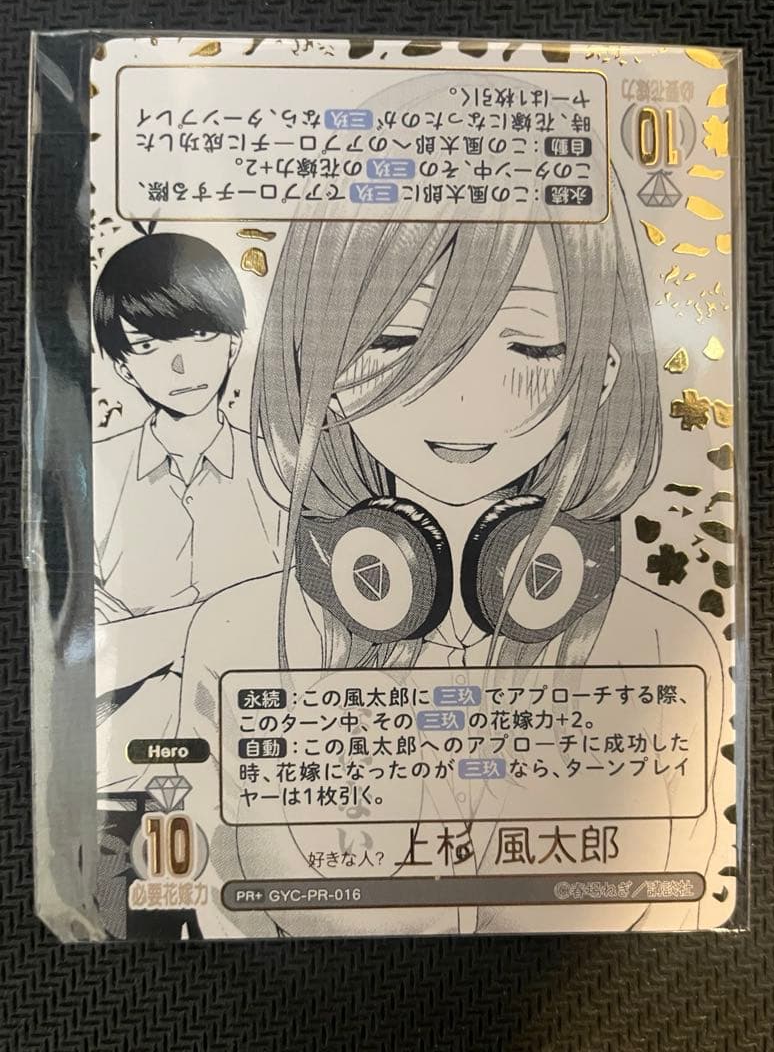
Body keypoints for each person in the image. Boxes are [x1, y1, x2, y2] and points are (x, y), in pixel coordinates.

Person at [177, 179, 727, 938]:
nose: (465, 400)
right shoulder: (238, 637)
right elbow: (216, 910)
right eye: (397, 344)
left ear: (602, 370)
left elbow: (692, 906)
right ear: (319, 368)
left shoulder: (670, 647)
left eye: (531, 346)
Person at [91, 232, 285, 936]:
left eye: (199, 336)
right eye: (147, 346)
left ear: (233, 341)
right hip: (121, 792)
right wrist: (218, 619)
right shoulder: (97, 475)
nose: (178, 365)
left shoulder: (282, 478)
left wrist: (150, 631)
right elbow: (83, 658)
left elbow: (300, 633)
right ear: (121, 363)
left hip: (258, 788)